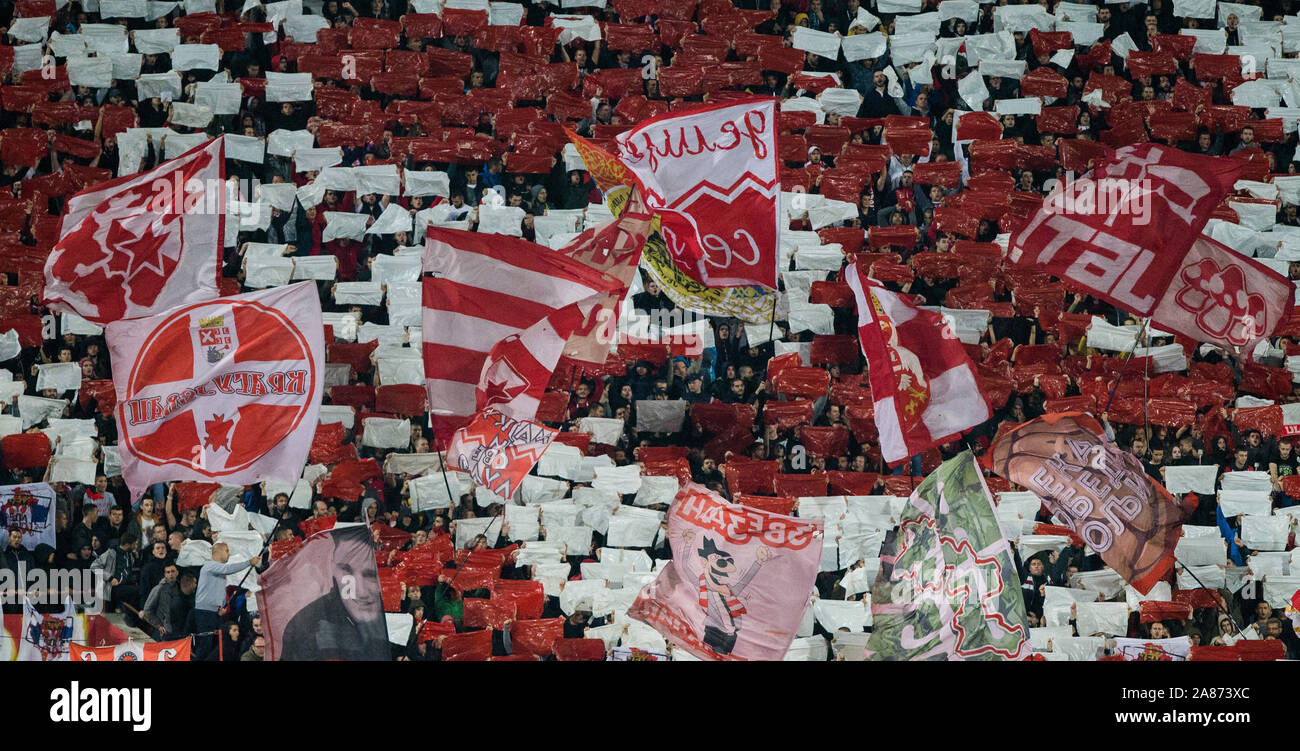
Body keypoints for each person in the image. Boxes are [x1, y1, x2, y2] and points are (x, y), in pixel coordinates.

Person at [194, 543, 260, 661]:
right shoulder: (209, 566)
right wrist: (248, 562)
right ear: (218, 552)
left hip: (214, 612)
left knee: (214, 648)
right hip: (205, 613)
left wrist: (220, 607)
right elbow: (227, 569)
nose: (228, 554)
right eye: (227, 550)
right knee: (205, 646)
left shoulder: (217, 571)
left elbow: (216, 590)